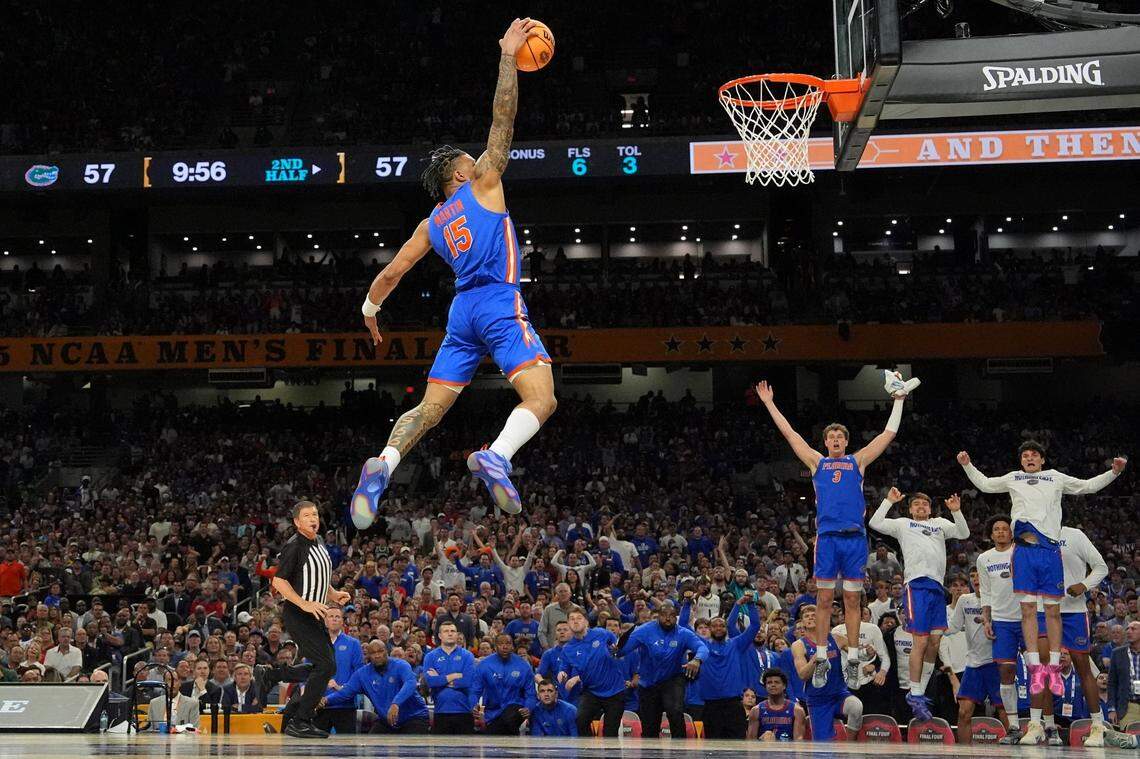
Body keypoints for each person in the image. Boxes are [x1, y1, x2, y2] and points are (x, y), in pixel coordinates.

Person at [351, 18, 557, 529]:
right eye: (473, 158)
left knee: (429, 408)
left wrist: (370, 310)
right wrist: (508, 57)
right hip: (497, 301)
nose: (480, 158)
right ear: (463, 174)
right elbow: (503, 118)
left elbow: (391, 274)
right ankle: (498, 456)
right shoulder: (484, 182)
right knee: (542, 397)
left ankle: (383, 464)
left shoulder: (430, 224)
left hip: (461, 312)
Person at [757, 376, 912, 690]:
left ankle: (852, 658)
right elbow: (790, 434)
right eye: (832, 437)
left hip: (854, 539)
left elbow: (888, 434)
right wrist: (770, 403)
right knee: (824, 600)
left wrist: (898, 401)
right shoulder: (817, 462)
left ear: (846, 442)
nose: (837, 440)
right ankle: (822, 657)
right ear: (826, 443)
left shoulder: (858, 461)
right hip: (827, 540)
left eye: (841, 436)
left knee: (853, 601)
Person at [958, 443, 1126, 702]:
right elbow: (986, 484)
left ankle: (1054, 668)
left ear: (1042, 460)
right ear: (1021, 461)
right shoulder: (1014, 477)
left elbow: (1087, 486)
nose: (1029, 458)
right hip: (1023, 550)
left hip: (1049, 551)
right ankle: (1037, 669)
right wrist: (967, 465)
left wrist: (1114, 472)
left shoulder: (1055, 477)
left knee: (1052, 611)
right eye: (1025, 456)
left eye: (1034, 455)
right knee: (1028, 610)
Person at [869, 487, 969, 720]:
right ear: (911, 510)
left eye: (925, 504)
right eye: (916, 504)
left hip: (937, 587)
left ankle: (919, 692)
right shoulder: (903, 524)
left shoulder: (939, 524)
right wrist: (888, 501)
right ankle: (914, 692)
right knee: (921, 641)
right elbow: (874, 523)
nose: (921, 507)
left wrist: (956, 511)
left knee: (935, 641)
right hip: (916, 586)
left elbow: (963, 533)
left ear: (930, 509)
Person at [270, 500, 351, 739]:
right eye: (306, 515)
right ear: (297, 522)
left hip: (316, 613)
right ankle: (300, 721)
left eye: (315, 514)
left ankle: (275, 676)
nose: (313, 518)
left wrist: (334, 594)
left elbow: (318, 577)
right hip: (298, 614)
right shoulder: (294, 545)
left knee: (328, 666)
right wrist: (304, 603)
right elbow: (279, 581)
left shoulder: (319, 541)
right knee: (325, 665)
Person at [1047, 525, 1109, 745]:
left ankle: (1097, 726)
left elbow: (1101, 567)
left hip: (1073, 611)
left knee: (1083, 667)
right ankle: (1047, 727)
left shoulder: (1074, 535)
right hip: (1045, 609)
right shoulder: (1033, 534)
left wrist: (1084, 584)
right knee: (1044, 670)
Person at [618, 600, 707, 739]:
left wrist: (697, 659)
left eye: (671, 615)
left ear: (676, 617)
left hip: (673, 678)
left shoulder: (683, 633)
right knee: (649, 724)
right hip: (648, 682)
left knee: (675, 712)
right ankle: (650, 749)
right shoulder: (644, 630)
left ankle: (680, 748)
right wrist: (617, 649)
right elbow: (622, 651)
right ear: (658, 616)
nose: (668, 618)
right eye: (664, 615)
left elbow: (703, 648)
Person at [977, 514, 1029, 744]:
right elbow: (985, 592)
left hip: (1027, 618)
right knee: (1006, 672)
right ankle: (1014, 726)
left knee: (1039, 671)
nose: (1000, 532)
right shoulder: (984, 558)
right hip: (1002, 621)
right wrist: (987, 620)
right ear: (991, 534)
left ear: (1011, 533)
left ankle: (1043, 724)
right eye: (996, 529)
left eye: (1004, 528)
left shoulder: (1022, 552)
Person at [946, 578, 1007, 744]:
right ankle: (964, 753)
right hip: (973, 664)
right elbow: (953, 627)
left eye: (979, 575)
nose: (976, 578)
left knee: (1004, 712)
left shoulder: (999, 598)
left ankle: (1015, 752)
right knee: (963, 712)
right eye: (973, 575)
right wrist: (932, 627)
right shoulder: (964, 600)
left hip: (996, 663)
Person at [321, 641, 429, 734]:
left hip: (414, 717)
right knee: (370, 746)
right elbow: (345, 692)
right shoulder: (362, 674)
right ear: (368, 656)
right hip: (386, 721)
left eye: (380, 651)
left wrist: (396, 703)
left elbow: (410, 683)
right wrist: (325, 700)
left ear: (386, 651)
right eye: (373, 653)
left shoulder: (401, 665)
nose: (377, 655)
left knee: (409, 749)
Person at [790, 604, 863, 741]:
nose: (810, 618)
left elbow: (858, 653)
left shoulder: (836, 638)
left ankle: (850, 744)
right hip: (818, 699)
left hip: (838, 694)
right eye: (807, 616)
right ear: (802, 622)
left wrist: (868, 652)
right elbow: (802, 675)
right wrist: (814, 660)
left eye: (814, 615)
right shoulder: (799, 645)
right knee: (823, 746)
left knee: (856, 707)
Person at [701, 595, 763, 739]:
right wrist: (686, 604)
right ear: (709, 629)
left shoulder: (736, 644)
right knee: (712, 748)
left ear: (726, 628)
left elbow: (755, 625)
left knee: (737, 747)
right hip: (710, 706)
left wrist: (749, 604)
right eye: (715, 625)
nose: (718, 628)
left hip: (733, 705)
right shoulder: (702, 645)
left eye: (722, 625)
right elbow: (683, 624)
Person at [560, 608, 627, 737]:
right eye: (572, 619)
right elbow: (563, 669)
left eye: (579, 618)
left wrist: (615, 649)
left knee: (610, 733)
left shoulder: (601, 633)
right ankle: (589, 747)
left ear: (586, 622)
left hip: (615, 690)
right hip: (591, 691)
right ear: (568, 623)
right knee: (580, 721)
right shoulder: (567, 649)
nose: (575, 621)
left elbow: (616, 645)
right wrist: (562, 675)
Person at [470, 633, 534, 735]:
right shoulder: (484, 665)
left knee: (509, 717)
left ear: (512, 646)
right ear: (495, 647)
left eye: (508, 643)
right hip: (492, 714)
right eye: (501, 644)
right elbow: (474, 691)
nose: (504, 647)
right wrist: (473, 705)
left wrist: (528, 707)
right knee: (500, 730)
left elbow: (531, 694)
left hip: (516, 710)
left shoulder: (523, 666)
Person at [315, 606, 365, 734]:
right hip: (319, 704)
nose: (334, 619)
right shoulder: (316, 643)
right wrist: (308, 692)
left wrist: (340, 688)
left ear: (342, 621)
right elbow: (307, 670)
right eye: (331, 616)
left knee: (348, 744)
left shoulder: (353, 644)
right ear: (325, 620)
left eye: (337, 617)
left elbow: (359, 675)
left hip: (345, 705)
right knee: (316, 744)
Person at [423, 620, 476, 735]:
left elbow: (467, 681)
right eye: (446, 631)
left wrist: (441, 679)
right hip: (440, 711)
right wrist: (454, 676)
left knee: (466, 746)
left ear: (457, 634)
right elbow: (430, 682)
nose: (450, 633)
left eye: (453, 631)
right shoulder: (430, 656)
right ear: (440, 635)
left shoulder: (467, 656)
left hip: (464, 711)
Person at [748, 668, 805, 741]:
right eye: (769, 682)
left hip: (788, 747)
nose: (773, 685)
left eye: (777, 682)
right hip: (764, 746)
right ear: (765, 686)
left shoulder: (797, 711)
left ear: (784, 686)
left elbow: (798, 741)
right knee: (767, 735)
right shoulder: (756, 711)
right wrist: (762, 741)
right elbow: (750, 741)